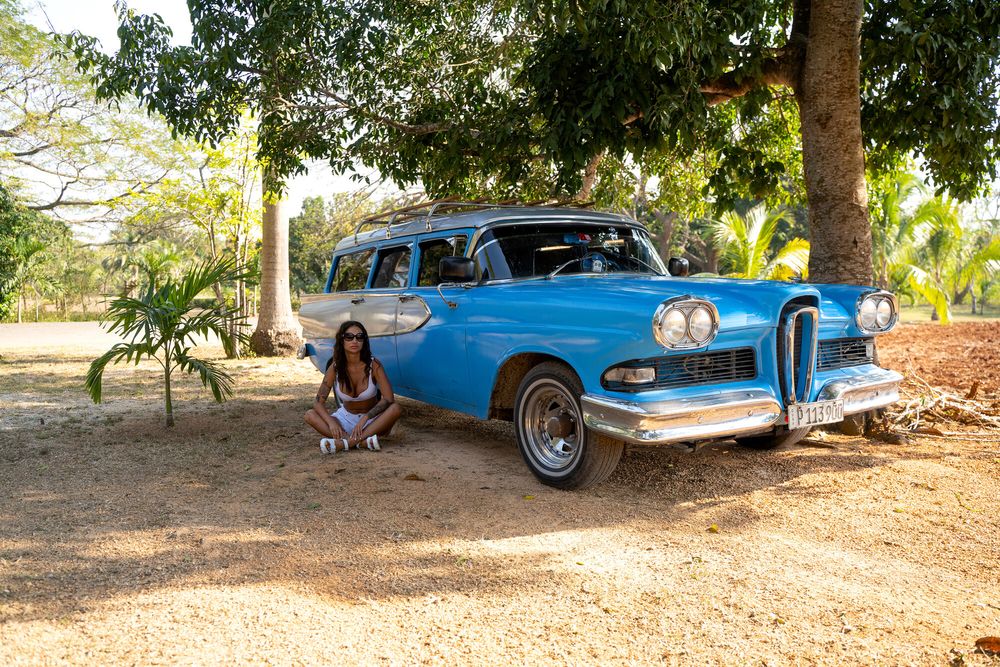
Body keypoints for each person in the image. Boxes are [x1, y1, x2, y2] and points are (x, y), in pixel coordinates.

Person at [304, 320, 402, 453]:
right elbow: (318, 403)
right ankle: (360, 442)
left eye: (359, 337)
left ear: (364, 341)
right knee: (310, 415)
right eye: (349, 337)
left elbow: (389, 399)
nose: (354, 341)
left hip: (371, 421)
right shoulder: (335, 367)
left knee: (396, 409)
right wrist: (331, 422)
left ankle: (346, 443)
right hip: (345, 419)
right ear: (342, 340)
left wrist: (365, 418)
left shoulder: (374, 365)